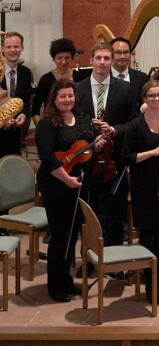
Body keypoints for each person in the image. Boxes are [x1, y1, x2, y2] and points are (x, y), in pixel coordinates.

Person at [35, 79, 97, 303]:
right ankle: (55, 285)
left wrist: (97, 145)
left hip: (78, 183)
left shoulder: (81, 119)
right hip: (56, 183)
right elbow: (48, 157)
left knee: (72, 234)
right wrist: (66, 179)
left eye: (70, 95)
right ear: (54, 98)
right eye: (63, 96)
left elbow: (88, 145)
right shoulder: (47, 123)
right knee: (60, 234)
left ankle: (66, 279)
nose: (67, 99)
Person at [123, 79, 159, 302]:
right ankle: (151, 286)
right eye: (152, 95)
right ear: (144, 99)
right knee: (148, 236)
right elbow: (126, 156)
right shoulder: (136, 125)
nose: (157, 98)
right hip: (145, 187)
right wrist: (152, 152)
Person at [74, 42, 137, 246]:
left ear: (112, 61)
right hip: (87, 157)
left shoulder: (125, 88)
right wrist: (91, 134)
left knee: (115, 210)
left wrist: (114, 129)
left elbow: (133, 122)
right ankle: (90, 253)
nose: (102, 62)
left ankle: (114, 254)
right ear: (91, 60)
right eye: (98, 58)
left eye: (106, 58)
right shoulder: (78, 89)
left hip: (114, 159)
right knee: (89, 208)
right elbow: (72, 122)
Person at [0, 31, 33, 157]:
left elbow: (26, 101)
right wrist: (3, 119)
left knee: (13, 164)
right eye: (8, 47)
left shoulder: (26, 73)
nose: (12, 50)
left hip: (16, 132)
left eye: (16, 46)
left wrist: (23, 115)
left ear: (22, 48)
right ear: (2, 49)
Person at [31, 37, 77, 121]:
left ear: (72, 58)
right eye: (59, 58)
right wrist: (41, 127)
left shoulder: (78, 77)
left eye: (67, 58)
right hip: (51, 124)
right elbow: (35, 110)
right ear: (53, 59)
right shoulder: (45, 80)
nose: (63, 61)